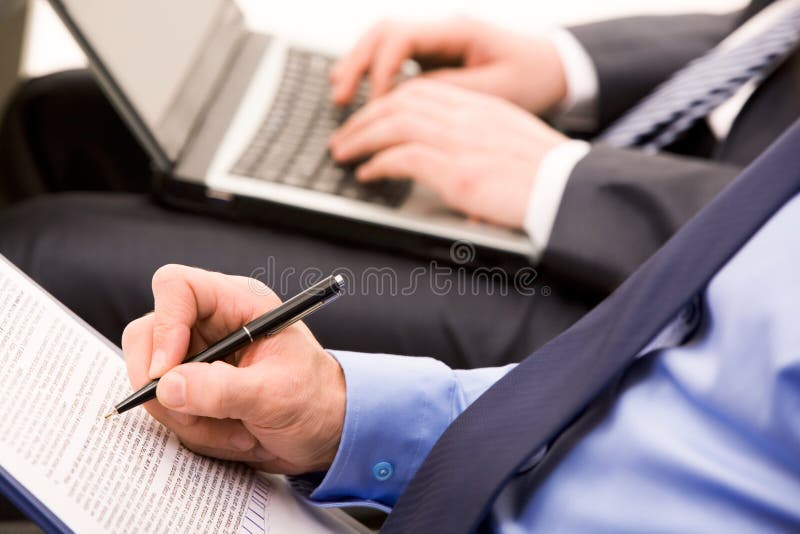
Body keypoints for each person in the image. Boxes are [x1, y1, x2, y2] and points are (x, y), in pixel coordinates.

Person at [0, 0, 795, 368]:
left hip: (685, 313)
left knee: (44, 252)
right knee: (65, 119)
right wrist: (567, 66)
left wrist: (566, 182)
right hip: (664, 164)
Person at [122, 118, 800, 531]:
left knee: (54, 242)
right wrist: (341, 414)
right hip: (469, 475)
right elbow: (678, 393)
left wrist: (564, 180)